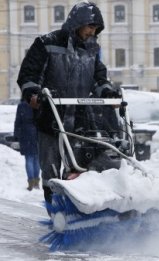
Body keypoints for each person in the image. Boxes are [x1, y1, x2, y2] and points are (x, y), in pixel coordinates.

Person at [17, 1, 121, 204]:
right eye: (90, 26)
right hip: (51, 115)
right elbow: (29, 74)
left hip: (80, 117)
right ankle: (53, 204)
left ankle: (77, 205)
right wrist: (33, 94)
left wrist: (107, 93)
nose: (92, 32)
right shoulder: (47, 43)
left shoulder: (92, 49)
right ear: (78, 23)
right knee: (51, 167)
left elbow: (99, 77)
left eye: (96, 29)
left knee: (79, 164)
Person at [14, 99, 40, 191]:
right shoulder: (39, 103)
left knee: (29, 158)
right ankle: (36, 182)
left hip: (25, 133)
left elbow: (18, 120)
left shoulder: (22, 105)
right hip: (37, 133)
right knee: (36, 159)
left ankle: (31, 183)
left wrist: (16, 135)